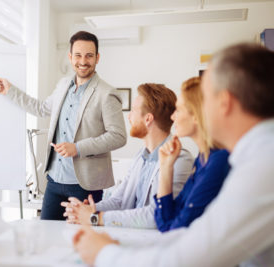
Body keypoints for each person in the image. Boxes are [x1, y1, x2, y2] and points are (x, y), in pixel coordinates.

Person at [73, 43, 274, 267]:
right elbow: (189, 232)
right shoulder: (253, 156)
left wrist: (104, 254)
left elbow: (193, 255)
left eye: (204, 100)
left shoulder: (264, 164)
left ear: (224, 103)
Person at [0, 31, 127, 220]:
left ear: (97, 58)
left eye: (89, 55)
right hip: (54, 180)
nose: (83, 61)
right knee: (47, 235)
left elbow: (118, 136)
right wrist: (10, 91)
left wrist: (78, 148)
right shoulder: (63, 85)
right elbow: (40, 108)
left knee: (80, 242)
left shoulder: (107, 93)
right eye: (78, 55)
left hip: (86, 185)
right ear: (70, 57)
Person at [61, 83, 194, 228]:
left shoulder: (179, 160)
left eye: (132, 110)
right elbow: (119, 201)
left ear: (148, 119)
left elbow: (154, 216)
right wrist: (87, 210)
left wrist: (95, 217)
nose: (129, 116)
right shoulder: (140, 157)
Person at [154, 77, 230, 232]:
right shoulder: (201, 160)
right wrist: (166, 167)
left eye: (178, 110)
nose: (172, 117)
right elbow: (167, 221)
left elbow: (176, 229)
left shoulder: (218, 161)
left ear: (196, 115)